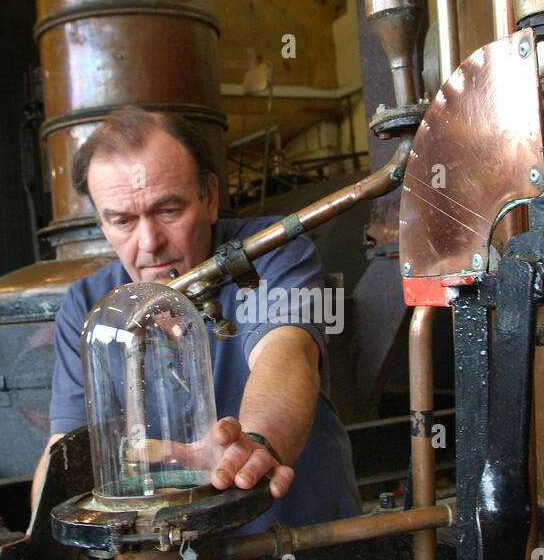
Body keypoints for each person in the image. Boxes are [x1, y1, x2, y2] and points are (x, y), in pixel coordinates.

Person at [31, 106, 360, 535]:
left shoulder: (270, 252)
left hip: (296, 543)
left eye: (168, 211)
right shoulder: (88, 303)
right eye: (123, 221)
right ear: (101, 222)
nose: (149, 243)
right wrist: (40, 551)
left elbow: (287, 353)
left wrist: (256, 442)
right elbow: (67, 445)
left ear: (209, 198)